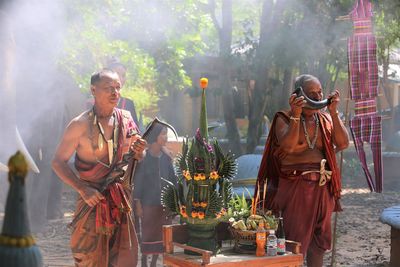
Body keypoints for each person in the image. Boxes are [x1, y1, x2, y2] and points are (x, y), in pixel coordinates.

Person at [52, 69, 146, 267]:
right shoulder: (79, 124)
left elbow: (138, 155)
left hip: (121, 200)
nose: (115, 93)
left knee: (122, 257)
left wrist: (139, 152)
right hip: (92, 200)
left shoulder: (126, 119)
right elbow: (58, 162)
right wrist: (82, 189)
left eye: (118, 88)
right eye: (108, 88)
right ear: (93, 90)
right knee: (87, 256)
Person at [254, 74, 349, 267]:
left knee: (319, 243)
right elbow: (288, 147)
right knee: (294, 243)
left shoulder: (325, 119)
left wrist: (334, 112)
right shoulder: (284, 118)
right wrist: (296, 114)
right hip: (297, 188)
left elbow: (343, 143)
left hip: (323, 188)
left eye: (320, 92)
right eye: (312, 93)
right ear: (299, 94)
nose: (317, 96)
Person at [133, 122, 177, 267]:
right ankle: (145, 261)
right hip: (148, 204)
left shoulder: (166, 158)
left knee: (161, 235)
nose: (165, 137)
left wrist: (174, 203)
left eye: (166, 133)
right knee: (148, 234)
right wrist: (138, 203)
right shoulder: (144, 158)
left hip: (164, 205)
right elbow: (138, 181)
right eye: (162, 134)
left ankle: (153, 263)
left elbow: (173, 181)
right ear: (154, 136)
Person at [86, 59, 140, 128]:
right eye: (117, 73)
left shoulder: (128, 103)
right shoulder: (91, 103)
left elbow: (134, 131)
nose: (120, 78)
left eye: (123, 75)